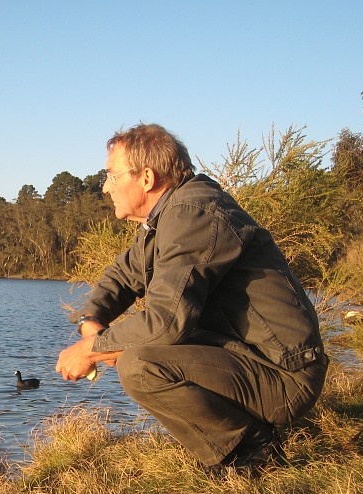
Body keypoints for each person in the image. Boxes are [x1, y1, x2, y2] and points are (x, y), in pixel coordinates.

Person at [56, 123, 328, 471]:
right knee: (137, 353)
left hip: (284, 377)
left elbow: (166, 323)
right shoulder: (170, 216)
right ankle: (238, 440)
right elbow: (123, 275)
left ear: (146, 178)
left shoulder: (194, 214)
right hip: (252, 361)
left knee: (138, 365)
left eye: (111, 175)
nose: (105, 187)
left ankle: (250, 449)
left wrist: (91, 351)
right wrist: (91, 322)